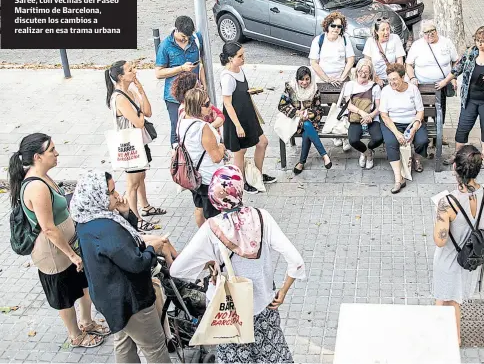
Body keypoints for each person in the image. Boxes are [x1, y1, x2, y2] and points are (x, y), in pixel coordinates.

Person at [170, 166, 306, 363]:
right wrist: (283, 291)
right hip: (264, 308)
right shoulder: (262, 217)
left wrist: (210, 262)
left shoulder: (211, 229)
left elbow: (177, 269)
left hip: (229, 315)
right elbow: (296, 261)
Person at [9, 133, 109, 349]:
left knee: (83, 285)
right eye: (52, 150)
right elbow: (48, 228)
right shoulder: (36, 186)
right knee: (65, 295)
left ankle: (87, 322)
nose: (57, 153)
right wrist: (71, 255)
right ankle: (75, 335)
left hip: (69, 244)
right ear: (37, 156)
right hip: (54, 253)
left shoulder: (45, 175)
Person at [72, 171, 172, 363]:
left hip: (109, 299)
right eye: (110, 192)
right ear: (97, 195)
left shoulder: (85, 219)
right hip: (130, 300)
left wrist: (126, 214)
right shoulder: (106, 229)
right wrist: (153, 249)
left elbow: (125, 241)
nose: (117, 195)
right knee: (155, 347)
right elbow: (136, 262)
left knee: (124, 341)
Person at [432, 145, 484, 345]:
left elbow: (440, 240)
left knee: (444, 298)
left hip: (449, 260)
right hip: (471, 257)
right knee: (454, 298)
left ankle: (446, 338)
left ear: (455, 168)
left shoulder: (446, 202)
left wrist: (437, 217)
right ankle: (455, 336)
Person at [436, 26, 484, 168]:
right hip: (470, 98)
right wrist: (445, 82)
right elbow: (457, 69)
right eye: (477, 41)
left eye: (483, 41)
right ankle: (458, 154)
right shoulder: (471, 52)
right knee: (463, 127)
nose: (480, 44)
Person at [105, 61, 166, 230]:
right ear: (120, 76)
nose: (135, 71)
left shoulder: (130, 91)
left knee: (141, 177)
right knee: (132, 183)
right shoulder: (119, 98)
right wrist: (139, 114)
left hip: (140, 142)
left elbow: (147, 112)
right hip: (130, 146)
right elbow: (139, 122)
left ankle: (145, 206)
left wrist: (141, 90)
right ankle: (135, 217)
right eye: (130, 70)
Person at [220, 42, 276, 194]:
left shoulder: (239, 70)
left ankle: (256, 175)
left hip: (247, 113)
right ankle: (242, 182)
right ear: (230, 59)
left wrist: (250, 92)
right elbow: (227, 104)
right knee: (240, 151)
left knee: (262, 142)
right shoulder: (227, 77)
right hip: (237, 119)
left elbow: (240, 92)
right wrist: (237, 125)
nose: (243, 58)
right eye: (240, 56)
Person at [179, 88, 227, 226]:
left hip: (193, 175)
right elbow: (216, 157)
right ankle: (213, 243)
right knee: (215, 218)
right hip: (209, 178)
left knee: (199, 208)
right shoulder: (203, 128)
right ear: (196, 107)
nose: (210, 106)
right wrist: (222, 146)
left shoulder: (182, 121)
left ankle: (202, 237)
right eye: (206, 104)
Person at [405, 20, 458, 145]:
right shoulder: (417, 45)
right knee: (422, 111)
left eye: (432, 31)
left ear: (436, 30)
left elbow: (456, 62)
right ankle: (421, 136)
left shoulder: (446, 42)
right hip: (422, 85)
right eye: (426, 33)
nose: (429, 35)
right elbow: (408, 64)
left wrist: (453, 78)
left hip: (441, 84)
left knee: (440, 112)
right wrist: (412, 78)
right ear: (422, 34)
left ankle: (437, 137)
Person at [155, 15, 205, 147]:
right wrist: (181, 68)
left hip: (194, 93)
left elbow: (201, 64)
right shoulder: (165, 46)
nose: (186, 39)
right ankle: (177, 157)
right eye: (183, 36)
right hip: (174, 97)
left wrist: (204, 86)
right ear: (175, 30)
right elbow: (159, 73)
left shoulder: (196, 39)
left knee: (196, 126)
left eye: (189, 37)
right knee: (177, 128)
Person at [309, 12, 356, 152]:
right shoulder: (319, 40)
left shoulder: (345, 39)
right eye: (333, 25)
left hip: (341, 80)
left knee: (344, 107)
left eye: (339, 26)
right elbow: (314, 62)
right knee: (331, 107)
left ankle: (343, 135)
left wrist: (342, 77)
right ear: (327, 26)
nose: (336, 29)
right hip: (324, 81)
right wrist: (327, 79)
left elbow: (351, 59)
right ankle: (337, 134)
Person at [380, 63, 428, 194]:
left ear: (402, 77)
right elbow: (384, 115)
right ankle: (398, 178)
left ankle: (416, 158)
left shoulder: (413, 89)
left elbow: (420, 111)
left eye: (395, 79)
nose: (392, 83)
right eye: (389, 80)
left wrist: (413, 128)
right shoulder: (386, 91)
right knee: (391, 143)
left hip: (411, 121)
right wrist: (397, 133)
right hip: (392, 123)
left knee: (422, 140)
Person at [278, 66, 332, 174]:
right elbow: (281, 105)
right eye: (301, 79)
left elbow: (318, 108)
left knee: (307, 126)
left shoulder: (314, 89)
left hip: (311, 119)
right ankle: (324, 155)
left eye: (307, 79)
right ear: (297, 79)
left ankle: (302, 162)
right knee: (307, 127)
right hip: (294, 121)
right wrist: (297, 113)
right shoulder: (290, 88)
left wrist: (309, 114)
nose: (304, 82)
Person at [343, 59, 383, 169]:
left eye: (366, 72)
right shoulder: (350, 85)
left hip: (372, 118)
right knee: (353, 140)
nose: (363, 74)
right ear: (356, 71)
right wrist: (362, 113)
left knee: (379, 138)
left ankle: (369, 149)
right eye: (361, 71)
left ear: (370, 73)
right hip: (356, 117)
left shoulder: (375, 87)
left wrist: (370, 116)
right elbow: (349, 105)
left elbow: (379, 107)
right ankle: (367, 153)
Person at [362, 17, 405, 86]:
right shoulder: (370, 41)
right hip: (376, 78)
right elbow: (367, 63)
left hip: (393, 77)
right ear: (376, 31)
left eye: (388, 29)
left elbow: (400, 60)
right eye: (383, 30)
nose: (386, 32)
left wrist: (396, 77)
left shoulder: (395, 38)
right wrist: (376, 78)